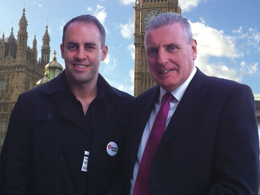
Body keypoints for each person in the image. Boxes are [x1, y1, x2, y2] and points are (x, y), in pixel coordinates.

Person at [124, 12, 259, 195]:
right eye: (153, 50)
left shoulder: (231, 98)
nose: (161, 59)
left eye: (171, 48)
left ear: (193, 49)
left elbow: (237, 187)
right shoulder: (138, 105)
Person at [1, 15, 134, 195]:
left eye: (89, 47)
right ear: (62, 50)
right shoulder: (29, 105)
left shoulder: (128, 109)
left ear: (103, 53)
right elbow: (12, 179)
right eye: (73, 46)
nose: (80, 55)